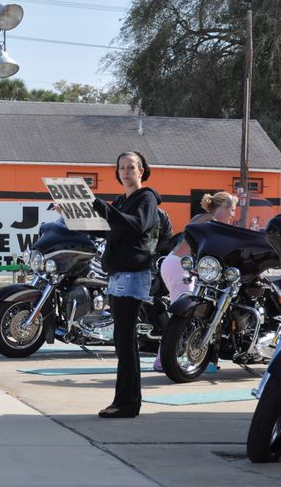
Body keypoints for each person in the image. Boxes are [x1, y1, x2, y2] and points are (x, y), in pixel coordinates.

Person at [93, 150, 161, 419]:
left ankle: (127, 402)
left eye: (131, 167)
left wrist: (100, 205)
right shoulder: (121, 201)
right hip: (119, 275)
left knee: (125, 340)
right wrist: (74, 215)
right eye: (121, 167)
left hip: (132, 275)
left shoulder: (147, 198)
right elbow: (108, 228)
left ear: (141, 170)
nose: (125, 172)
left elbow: (137, 225)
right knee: (123, 341)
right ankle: (126, 401)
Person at [151, 191, 237, 371]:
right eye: (232, 210)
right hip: (180, 267)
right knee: (184, 316)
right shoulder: (214, 223)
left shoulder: (200, 217)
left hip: (172, 262)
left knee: (185, 315)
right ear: (223, 208)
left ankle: (175, 358)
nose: (233, 215)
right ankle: (162, 360)